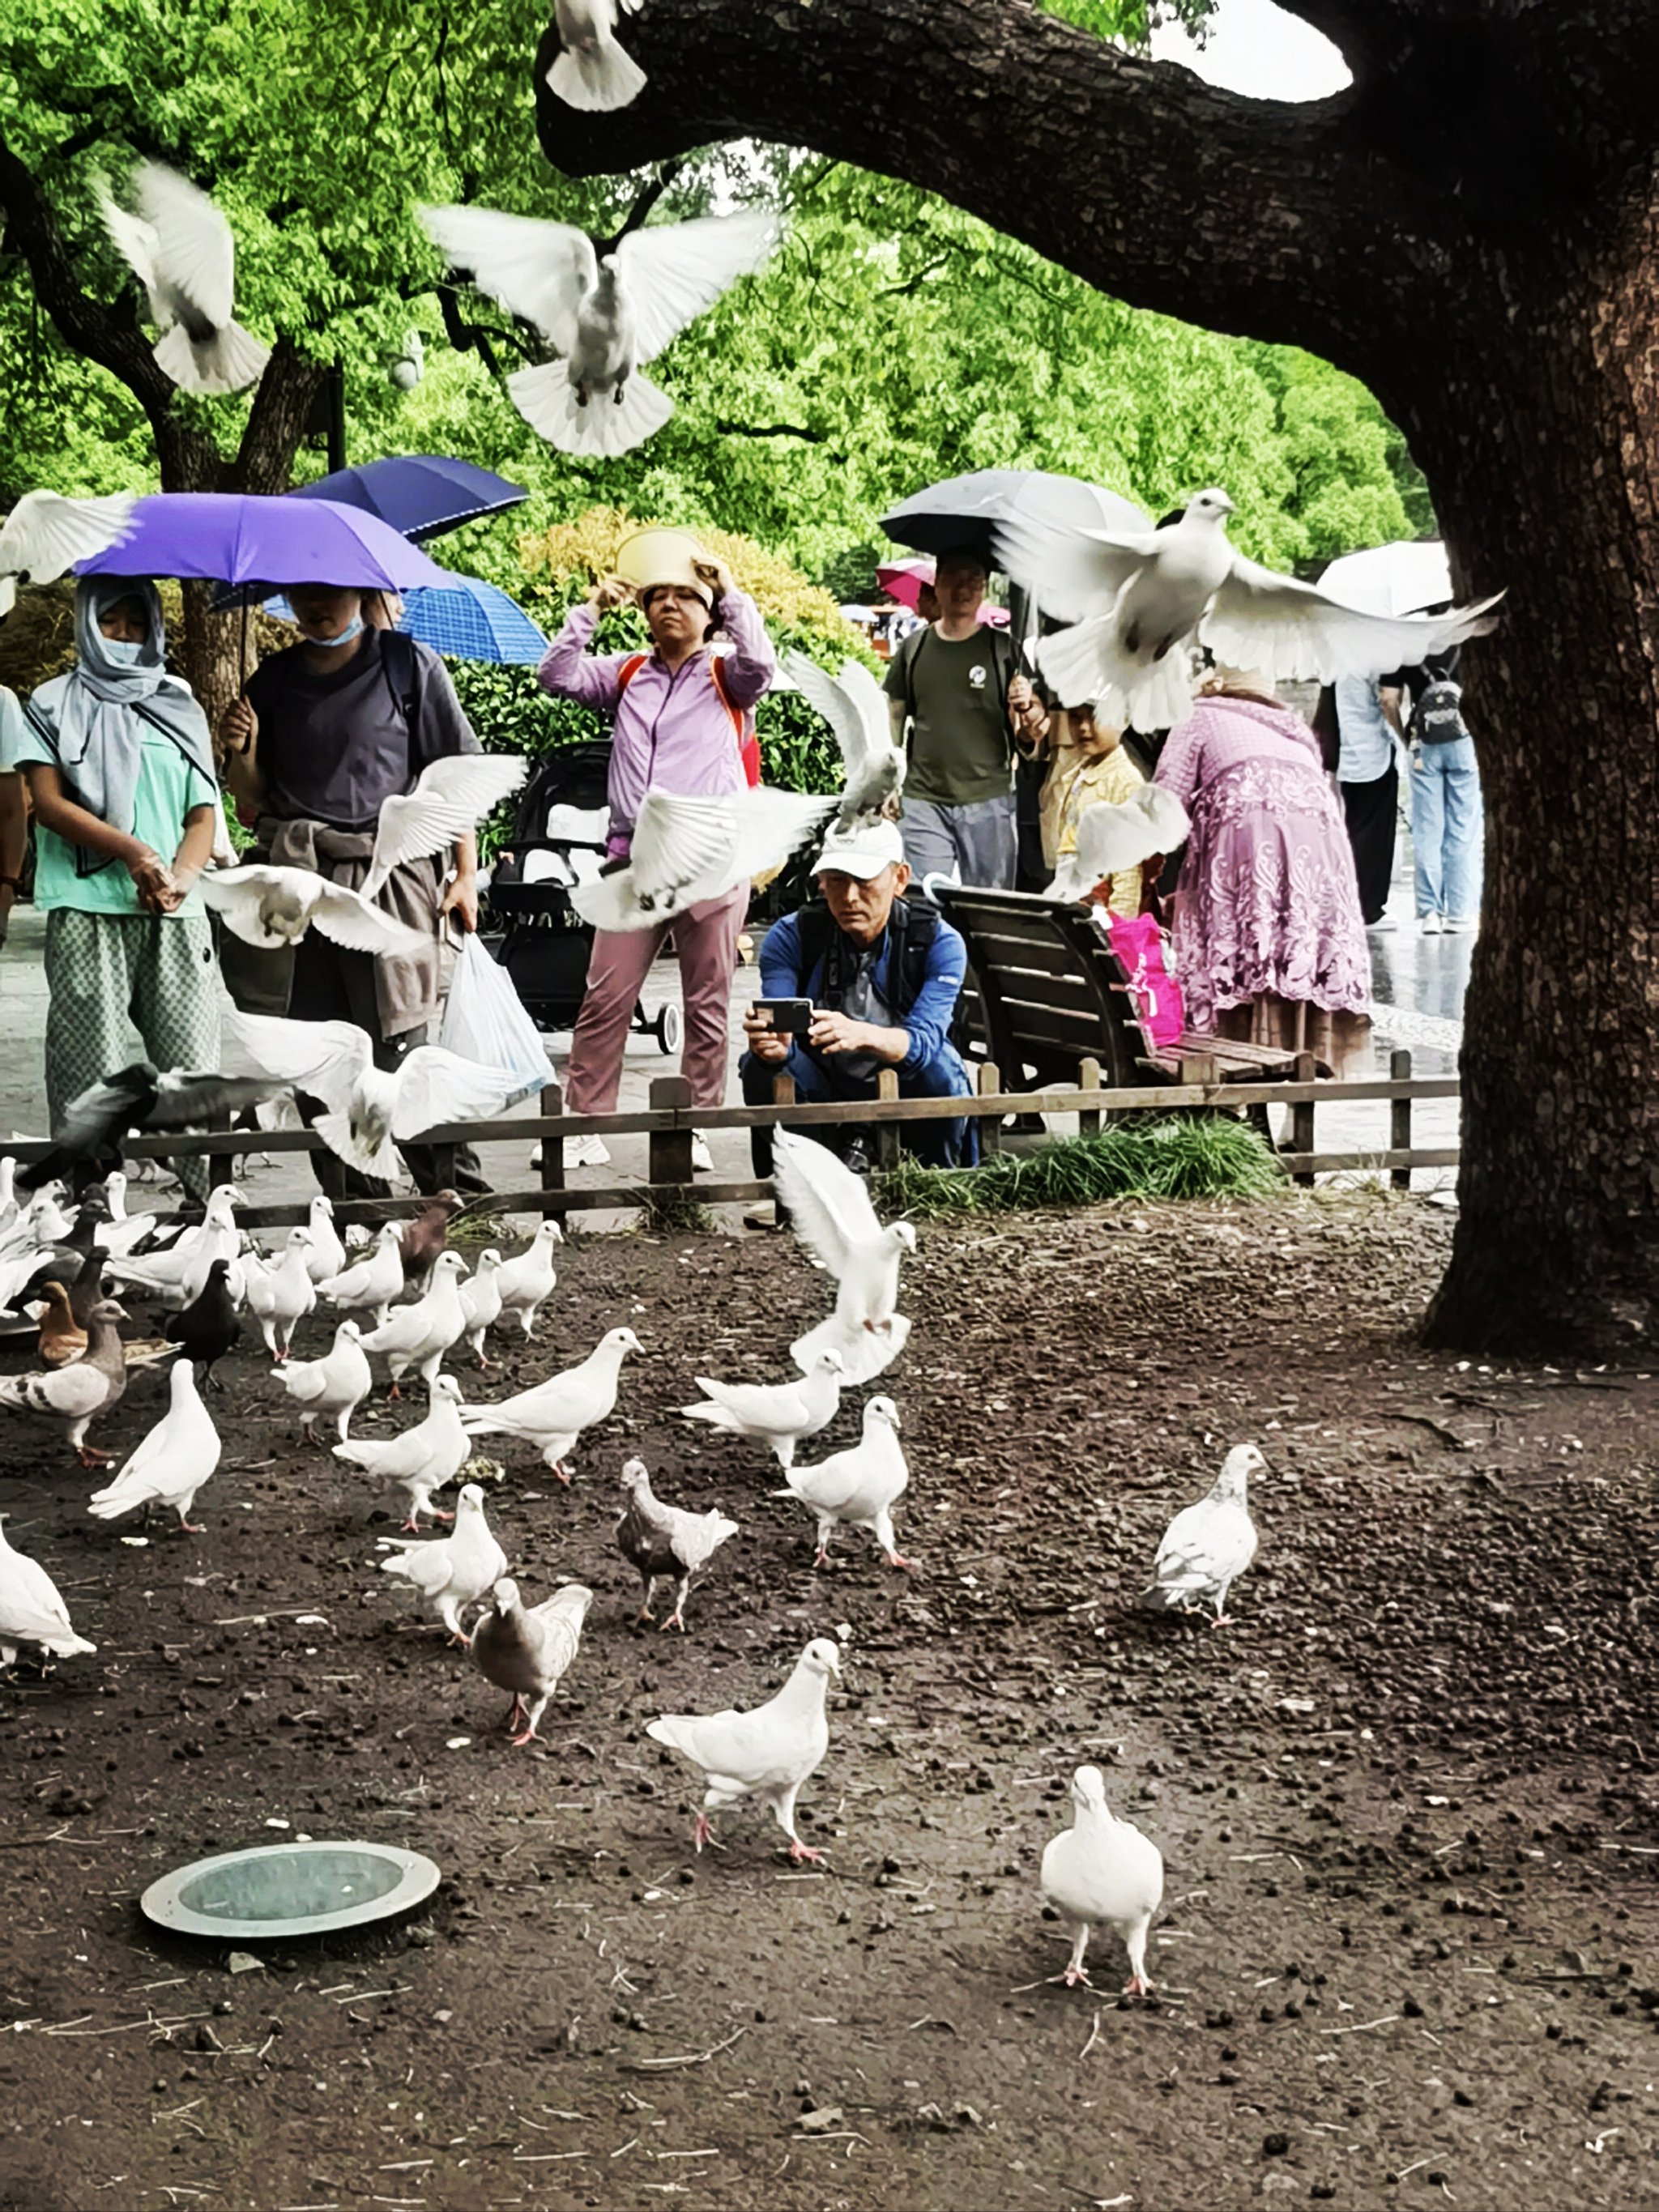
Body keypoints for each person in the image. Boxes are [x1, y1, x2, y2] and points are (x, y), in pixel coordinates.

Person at [218, 581, 488, 1200]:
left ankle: (457, 1199)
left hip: (388, 880)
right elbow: (251, 795)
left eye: (331, 589)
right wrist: (241, 746)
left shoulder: (406, 665)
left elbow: (455, 776)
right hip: (302, 885)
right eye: (303, 591)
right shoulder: (274, 680)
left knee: (400, 1050)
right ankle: (355, 1210)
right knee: (319, 1053)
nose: (317, 604)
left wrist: (465, 873)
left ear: (360, 589)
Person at [538, 539, 774, 1170]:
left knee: (708, 999)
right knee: (605, 996)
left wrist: (730, 589)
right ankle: (584, 1124)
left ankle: (690, 1126)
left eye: (685, 597)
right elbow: (555, 675)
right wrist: (591, 609)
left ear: (708, 611)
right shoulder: (627, 673)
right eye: (656, 596)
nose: (668, 605)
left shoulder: (727, 674)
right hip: (634, 862)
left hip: (711, 861)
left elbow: (763, 667)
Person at [2, 580, 220, 1196]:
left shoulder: (179, 701)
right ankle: (87, 1213)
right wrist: (131, 852)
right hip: (85, 909)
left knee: (191, 1073)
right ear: (86, 625)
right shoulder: (50, 702)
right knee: (87, 1075)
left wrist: (180, 876)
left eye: (135, 623)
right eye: (110, 621)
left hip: (175, 916)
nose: (123, 635)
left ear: (155, 627)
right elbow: (45, 803)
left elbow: (202, 814)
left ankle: (210, 1214)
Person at [1154, 668, 1371, 1072]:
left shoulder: (1199, 713)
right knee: (1291, 949)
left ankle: (1234, 1063)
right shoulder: (1296, 730)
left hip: (1249, 848)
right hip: (1322, 853)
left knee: (1244, 949)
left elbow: (1163, 803)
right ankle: (1301, 1070)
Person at [739, 819, 973, 1186]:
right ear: (821, 883)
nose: (849, 897)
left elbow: (925, 1043)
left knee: (941, 1067)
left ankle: (937, 1184)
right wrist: (774, 1046)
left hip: (906, 1088)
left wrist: (861, 1035)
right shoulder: (792, 935)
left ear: (899, 879)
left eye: (864, 883)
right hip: (824, 1084)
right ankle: (797, 1189)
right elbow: (779, 1016)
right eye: (836, 881)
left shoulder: (939, 941)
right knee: (758, 1067)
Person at [884, 547, 1047, 888]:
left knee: (991, 903)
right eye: (954, 580)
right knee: (922, 901)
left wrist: (1025, 708)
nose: (964, 590)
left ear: (984, 589)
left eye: (974, 581)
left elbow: (1029, 738)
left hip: (989, 800)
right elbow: (894, 718)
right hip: (923, 799)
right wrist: (889, 782)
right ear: (937, 586)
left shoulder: (1004, 651)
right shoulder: (913, 649)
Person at [1034, 700, 1147, 915]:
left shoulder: (1126, 783)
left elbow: (1130, 872)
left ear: (1123, 719)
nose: (1084, 727)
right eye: (1075, 717)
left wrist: (1119, 927)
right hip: (1070, 898)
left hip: (1101, 911)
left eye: (1096, 717)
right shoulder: (1077, 773)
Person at [1405, 650, 1483, 934]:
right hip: (1464, 742)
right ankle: (1461, 912)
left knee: (1427, 830)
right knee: (1463, 828)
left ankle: (1430, 913)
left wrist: (1405, 738)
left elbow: (1388, 698)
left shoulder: (1413, 644)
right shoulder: (1468, 643)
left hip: (1424, 746)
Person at [1333, 672, 1405, 929]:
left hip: (1348, 756)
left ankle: (1352, 902)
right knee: (1374, 836)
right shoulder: (1373, 662)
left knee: (1354, 830)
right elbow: (1388, 701)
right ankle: (1369, 908)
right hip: (1375, 754)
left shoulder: (1338, 665)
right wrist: (1402, 736)